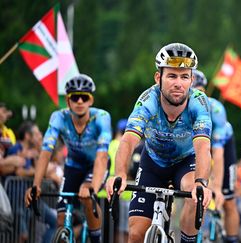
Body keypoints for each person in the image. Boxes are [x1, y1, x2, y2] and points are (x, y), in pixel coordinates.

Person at [105, 43, 213, 243]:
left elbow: (203, 147)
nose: (178, 83)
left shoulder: (199, 102)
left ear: (191, 80)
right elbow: (128, 140)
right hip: (153, 163)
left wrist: (201, 183)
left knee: (193, 193)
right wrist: (118, 173)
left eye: (184, 76)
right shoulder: (148, 101)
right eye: (172, 76)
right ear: (158, 78)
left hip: (185, 162)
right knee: (136, 234)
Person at [25, 74, 112, 243]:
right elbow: (45, 152)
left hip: (97, 165)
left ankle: (96, 239)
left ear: (90, 100)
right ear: (68, 100)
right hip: (73, 166)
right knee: (61, 218)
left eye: (84, 97)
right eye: (75, 97)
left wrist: (92, 188)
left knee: (87, 197)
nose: (79, 101)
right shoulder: (59, 117)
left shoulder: (101, 117)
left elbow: (102, 156)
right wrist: (35, 185)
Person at [191, 69, 240, 242]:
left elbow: (218, 155)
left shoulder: (215, 109)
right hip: (198, 147)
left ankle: (232, 238)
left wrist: (217, 188)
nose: (196, 97)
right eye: (192, 92)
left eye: (200, 92)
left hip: (222, 145)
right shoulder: (181, 107)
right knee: (194, 196)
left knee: (228, 200)